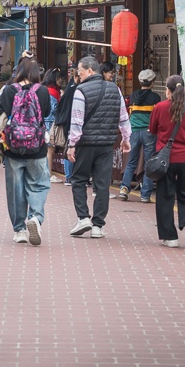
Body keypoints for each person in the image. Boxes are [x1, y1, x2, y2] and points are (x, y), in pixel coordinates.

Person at [0, 56, 53, 246]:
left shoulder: (10, 90)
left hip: (13, 147)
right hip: (37, 147)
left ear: (19, 71)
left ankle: (19, 230)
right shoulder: (42, 91)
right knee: (39, 184)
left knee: (15, 190)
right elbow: (47, 113)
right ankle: (35, 218)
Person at [65, 56, 130, 239]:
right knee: (102, 184)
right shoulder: (115, 89)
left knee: (79, 180)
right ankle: (98, 226)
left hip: (85, 144)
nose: (79, 75)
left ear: (90, 70)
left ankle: (83, 218)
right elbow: (123, 116)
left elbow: (76, 121)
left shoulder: (80, 91)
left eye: (80, 71)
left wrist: (72, 144)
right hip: (106, 144)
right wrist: (126, 138)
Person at [149, 74, 185, 248]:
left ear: (168, 90)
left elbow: (152, 129)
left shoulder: (159, 107)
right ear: (184, 90)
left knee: (165, 196)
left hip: (165, 160)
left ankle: (170, 237)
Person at [119, 69, 162, 203]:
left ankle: (124, 188)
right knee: (149, 163)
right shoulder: (155, 98)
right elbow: (157, 116)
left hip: (133, 131)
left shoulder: (134, 95)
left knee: (131, 161)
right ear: (152, 83)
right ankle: (145, 195)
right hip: (149, 132)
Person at [54, 66, 81, 185]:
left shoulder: (69, 90)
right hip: (73, 123)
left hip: (68, 123)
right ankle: (71, 176)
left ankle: (69, 176)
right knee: (73, 148)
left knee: (69, 147)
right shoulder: (77, 90)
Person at [42, 68, 65, 183]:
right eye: (59, 78)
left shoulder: (45, 90)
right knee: (50, 150)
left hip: (45, 123)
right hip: (49, 124)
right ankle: (49, 175)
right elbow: (53, 110)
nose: (61, 80)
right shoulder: (52, 92)